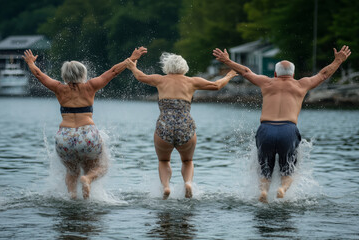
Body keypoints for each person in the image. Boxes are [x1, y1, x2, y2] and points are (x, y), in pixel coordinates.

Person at [213, 45, 351, 203]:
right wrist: (338, 61)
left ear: (275, 73)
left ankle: (264, 192)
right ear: (293, 74)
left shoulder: (267, 82)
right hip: (288, 130)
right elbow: (323, 74)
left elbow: (245, 71)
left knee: (265, 170)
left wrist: (227, 60)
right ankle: (282, 189)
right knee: (288, 171)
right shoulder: (301, 84)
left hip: (266, 129)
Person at [22, 47, 147, 199]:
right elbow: (114, 71)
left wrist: (30, 63)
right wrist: (131, 59)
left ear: (64, 75)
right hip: (87, 135)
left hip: (65, 137)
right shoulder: (90, 86)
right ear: (83, 74)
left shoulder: (59, 88)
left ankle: (73, 197)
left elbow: (39, 75)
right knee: (102, 166)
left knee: (72, 171)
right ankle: (88, 179)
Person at [125, 52, 237, 199]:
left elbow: (141, 77)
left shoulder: (160, 80)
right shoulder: (192, 81)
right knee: (187, 160)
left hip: (164, 125)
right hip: (186, 125)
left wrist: (133, 67)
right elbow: (216, 85)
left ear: (167, 67)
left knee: (164, 160)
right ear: (184, 67)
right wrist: (229, 75)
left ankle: (166, 187)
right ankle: (188, 184)